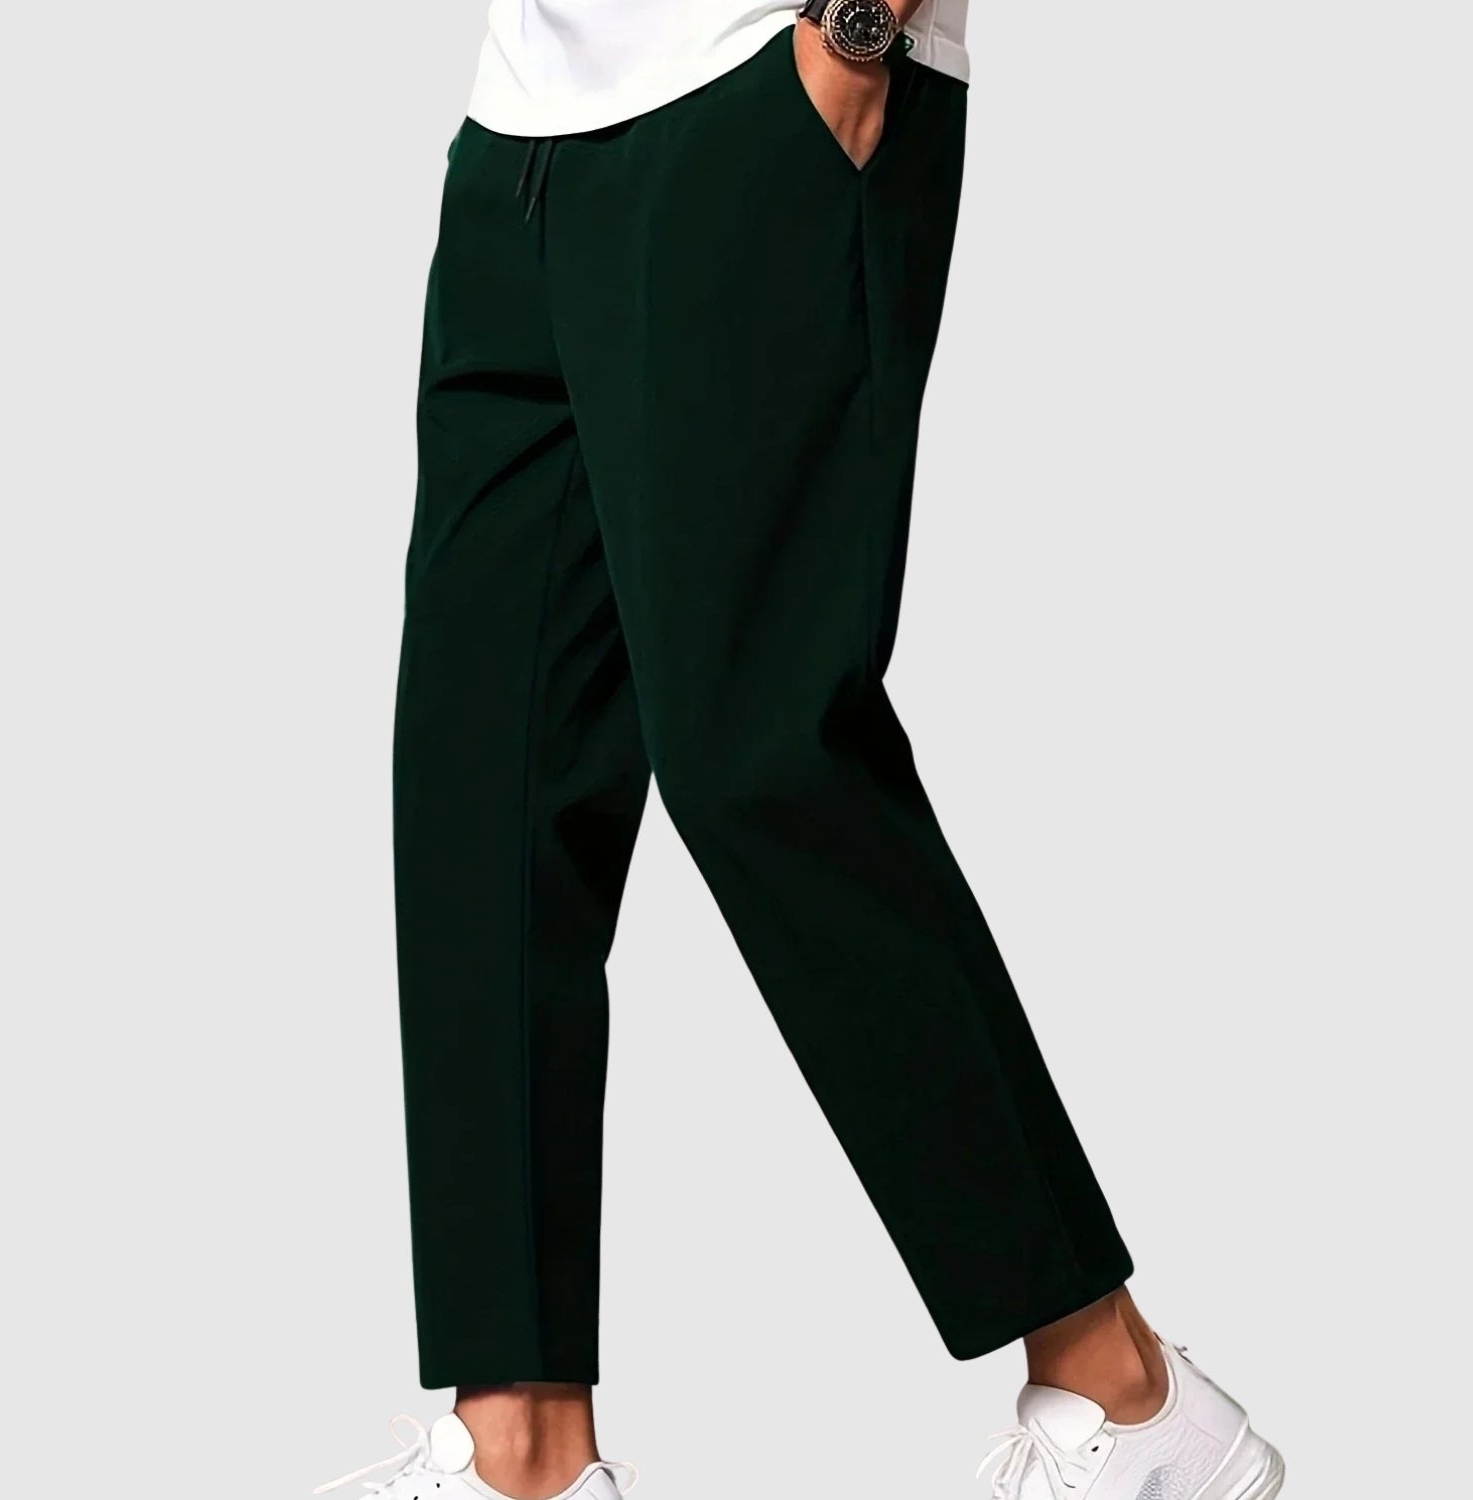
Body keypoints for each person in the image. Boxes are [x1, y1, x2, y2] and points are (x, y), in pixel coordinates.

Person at [323, 0, 1286, 1497]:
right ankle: (522, 1450)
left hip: (755, 91)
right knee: (480, 789)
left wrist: (853, 36)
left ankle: (1131, 1398)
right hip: (523, 136)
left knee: (763, 755)